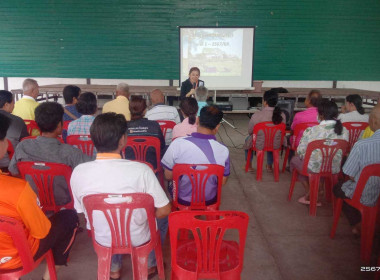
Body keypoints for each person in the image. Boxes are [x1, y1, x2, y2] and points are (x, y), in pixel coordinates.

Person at [70, 112, 171, 280]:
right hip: (138, 238)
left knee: (108, 217)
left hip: (102, 238)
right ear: (123, 140)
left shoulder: (78, 172)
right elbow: (165, 209)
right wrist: (146, 216)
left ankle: (114, 268)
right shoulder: (142, 170)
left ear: (93, 140)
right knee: (161, 215)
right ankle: (150, 264)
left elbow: (81, 211)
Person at [0, 113, 79, 280]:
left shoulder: (23, 150)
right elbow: (41, 231)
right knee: (69, 217)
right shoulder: (18, 190)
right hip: (16, 258)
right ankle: (48, 276)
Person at [9, 102, 92, 206]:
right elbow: (89, 175)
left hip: (33, 203)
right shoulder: (71, 152)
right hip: (64, 206)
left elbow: (13, 171)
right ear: (59, 126)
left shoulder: (23, 146)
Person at [162, 105, 230, 205]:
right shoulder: (223, 150)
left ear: (197, 120)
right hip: (209, 200)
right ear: (217, 127)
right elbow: (222, 181)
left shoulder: (177, 144)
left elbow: (168, 175)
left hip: (182, 199)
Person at [333, 103, 380, 236]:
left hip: (366, 195)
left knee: (339, 188)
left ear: (373, 122)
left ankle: (358, 225)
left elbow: (350, 174)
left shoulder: (362, 145)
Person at [290, 100, 349, 205]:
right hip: (334, 167)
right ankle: (319, 188)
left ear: (321, 115)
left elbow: (300, 151)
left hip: (314, 167)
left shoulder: (312, 130)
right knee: (320, 160)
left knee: (295, 161)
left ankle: (311, 192)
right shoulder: (344, 131)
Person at [243, 90, 286, 172]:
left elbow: (250, 131)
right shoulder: (282, 115)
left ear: (265, 102)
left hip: (258, 143)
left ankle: (249, 165)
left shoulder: (256, 115)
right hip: (276, 144)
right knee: (273, 138)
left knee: (247, 139)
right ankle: (269, 165)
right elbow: (282, 132)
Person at [125, 96, 165, 169]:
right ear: (145, 110)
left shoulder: (124, 127)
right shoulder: (154, 125)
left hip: (129, 168)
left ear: (129, 110)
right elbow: (162, 147)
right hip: (152, 168)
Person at [0, 90, 28, 170]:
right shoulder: (17, 121)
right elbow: (25, 142)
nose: (14, 105)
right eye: (13, 103)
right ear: (6, 105)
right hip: (9, 165)